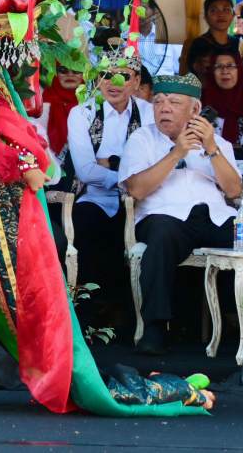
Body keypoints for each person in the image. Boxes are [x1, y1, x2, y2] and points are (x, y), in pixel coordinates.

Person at [119, 74, 242, 356]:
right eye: (159, 102)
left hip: (214, 217)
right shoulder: (142, 138)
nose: (164, 108)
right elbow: (136, 190)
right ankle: (155, 327)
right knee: (161, 236)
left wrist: (211, 148)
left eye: (174, 102)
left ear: (195, 111)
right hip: (165, 217)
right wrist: (177, 153)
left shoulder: (218, 142)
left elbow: (233, 190)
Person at [65, 50, 154, 317]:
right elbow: (87, 172)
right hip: (95, 198)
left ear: (137, 81)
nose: (113, 82)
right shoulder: (82, 112)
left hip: (143, 201)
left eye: (123, 76)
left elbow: (156, 164)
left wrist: (110, 165)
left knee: (153, 233)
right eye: (105, 74)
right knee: (84, 223)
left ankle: (134, 316)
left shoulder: (150, 113)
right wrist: (129, 177)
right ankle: (86, 316)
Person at [202, 51, 243, 151]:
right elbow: (196, 141)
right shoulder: (202, 103)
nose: (225, 71)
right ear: (212, 72)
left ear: (240, 70)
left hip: (242, 164)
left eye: (231, 66)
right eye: (218, 66)